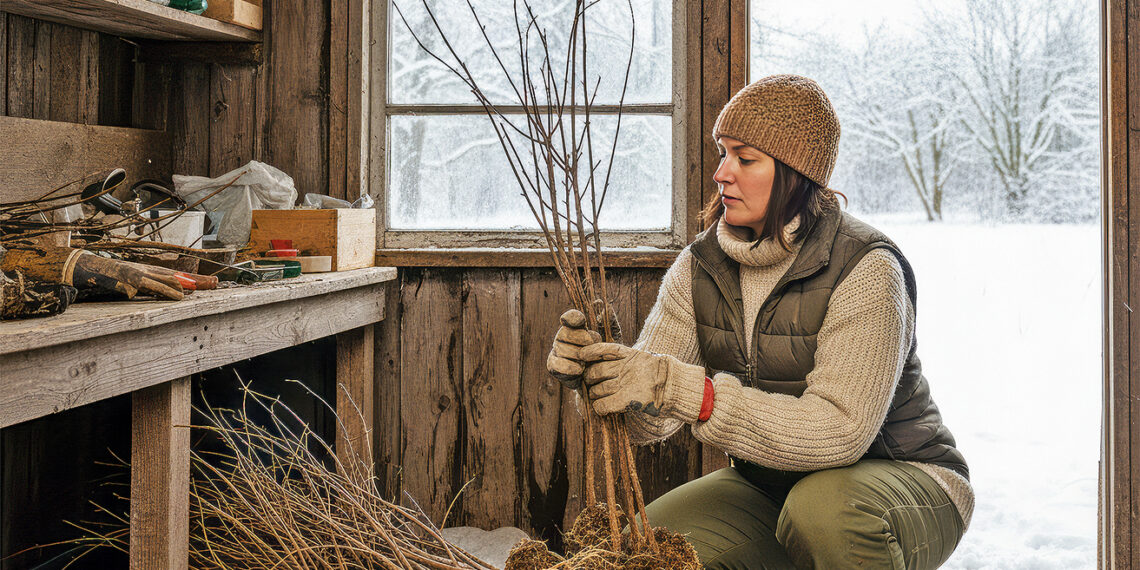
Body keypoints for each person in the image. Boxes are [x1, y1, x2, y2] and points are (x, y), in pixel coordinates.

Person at [547, 74, 972, 569]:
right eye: (724, 153)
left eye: (745, 159)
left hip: (901, 481)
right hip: (770, 485)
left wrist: (686, 389)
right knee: (645, 551)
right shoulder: (700, 266)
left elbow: (839, 432)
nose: (721, 173)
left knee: (823, 514)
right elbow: (649, 425)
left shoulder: (867, 268)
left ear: (795, 174)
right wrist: (608, 377)